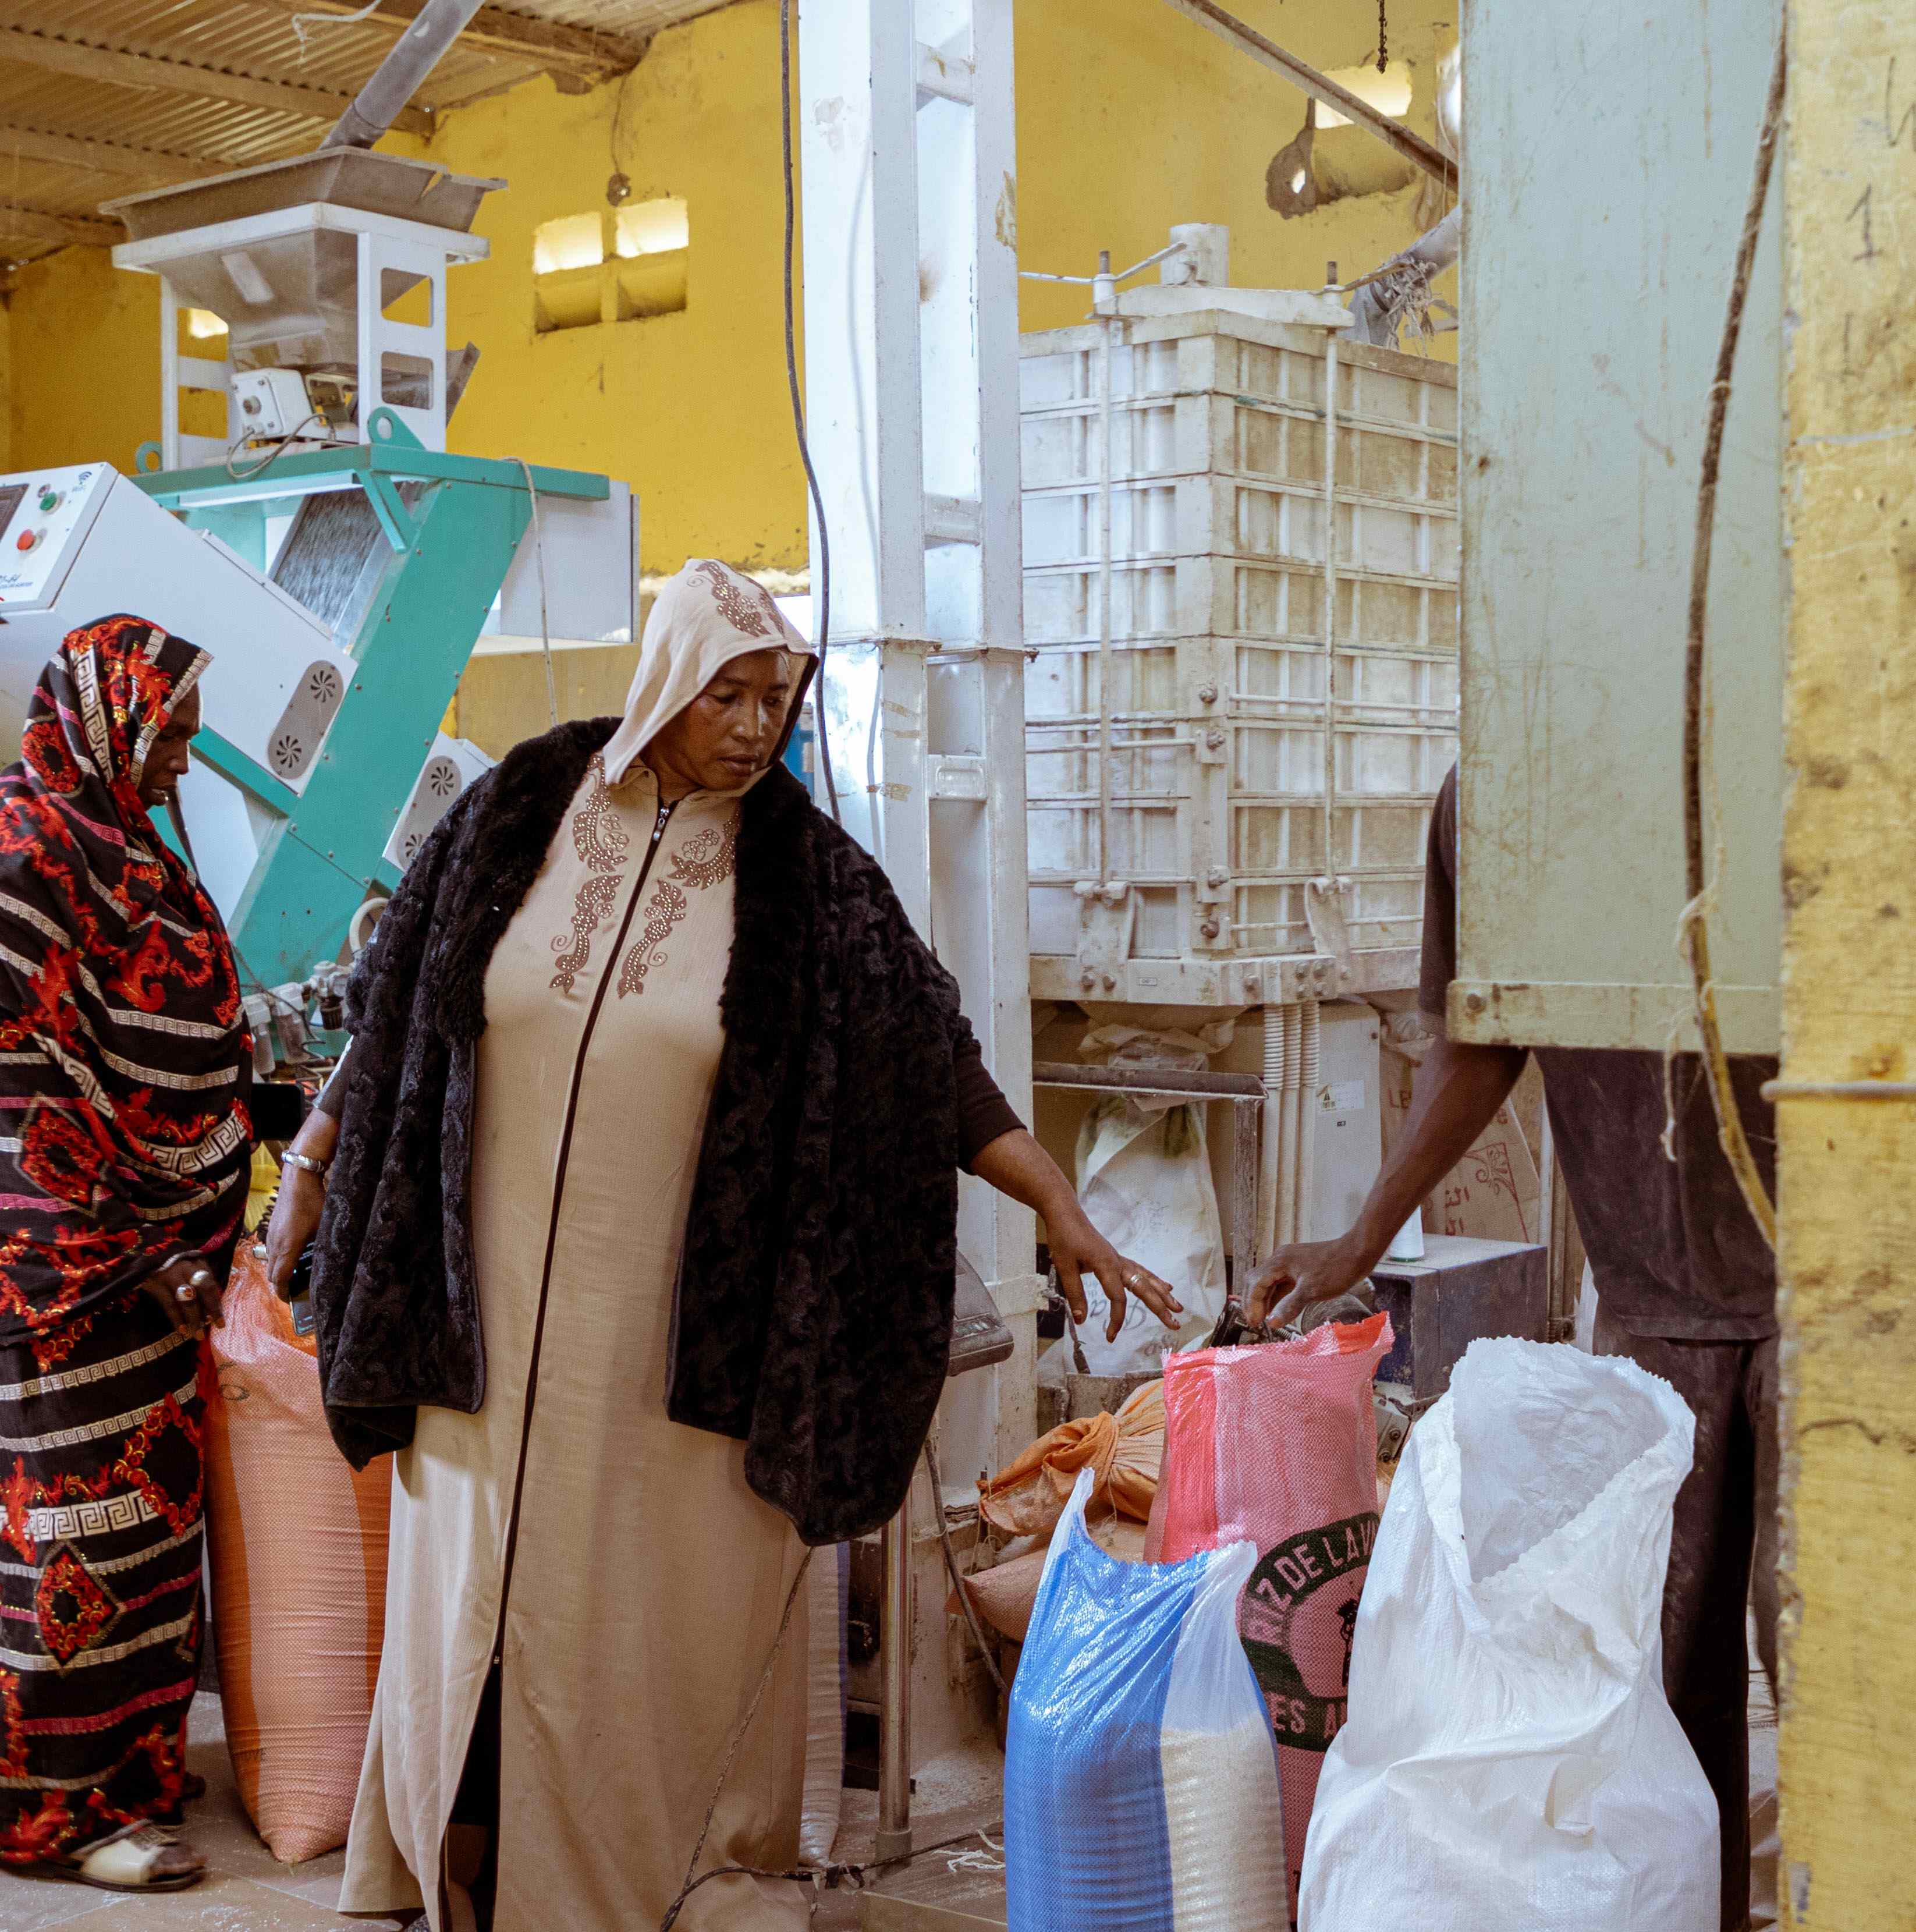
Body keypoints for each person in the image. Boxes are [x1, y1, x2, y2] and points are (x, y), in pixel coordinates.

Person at [256, 561, 1184, 1930]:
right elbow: (404, 1003)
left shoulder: (807, 876)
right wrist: (320, 1165)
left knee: (636, 1619)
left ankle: (655, 1871)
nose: (756, 724)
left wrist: (1056, 1200)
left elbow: (928, 1053)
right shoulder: (522, 806)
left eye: (777, 697)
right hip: (485, 1320)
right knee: (469, 1593)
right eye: (728, 693)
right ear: (663, 687)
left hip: (679, 1337)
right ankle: (448, 1851)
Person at [1250, 765, 1777, 1931]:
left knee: (1844, 1679)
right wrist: (1360, 1236)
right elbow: (1482, 1036)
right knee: (1638, 1692)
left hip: (1839, 1297)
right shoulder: (1499, 782)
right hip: (1650, 1296)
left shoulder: (1793, 732)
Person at [0, 618, 246, 1894]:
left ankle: (130, 1770)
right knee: (72, 1536)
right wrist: (128, 1240)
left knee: (148, 1543)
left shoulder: (125, 841)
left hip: (163, 1267)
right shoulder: (26, 849)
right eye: (174, 732)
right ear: (107, 715)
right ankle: (52, 1814)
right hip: (74, 1277)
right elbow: (14, 1077)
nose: (186, 764)